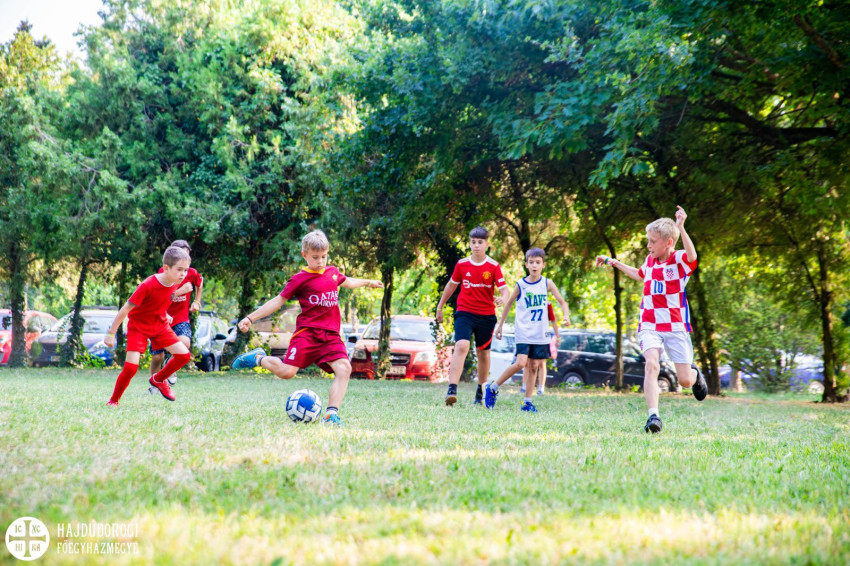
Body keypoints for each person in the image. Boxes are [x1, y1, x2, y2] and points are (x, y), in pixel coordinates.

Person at [230, 230, 383, 426]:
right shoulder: (299, 279)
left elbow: (348, 282)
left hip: (330, 336)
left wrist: (368, 282)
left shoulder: (332, 272)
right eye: (315, 257)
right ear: (305, 255)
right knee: (287, 373)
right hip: (307, 334)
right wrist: (250, 318)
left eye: (324, 256)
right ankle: (259, 358)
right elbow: (278, 301)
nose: (321, 261)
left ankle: (331, 416)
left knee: (344, 368)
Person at [596, 206, 707, 433]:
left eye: (652, 241)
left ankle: (695, 375)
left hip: (675, 325)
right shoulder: (650, 260)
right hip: (649, 324)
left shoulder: (679, 260)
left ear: (668, 242)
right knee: (651, 364)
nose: (648, 245)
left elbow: (693, 257)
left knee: (685, 381)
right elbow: (639, 274)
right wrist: (612, 261)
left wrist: (681, 227)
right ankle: (653, 416)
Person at [105, 247, 193, 405]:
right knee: (131, 368)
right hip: (138, 328)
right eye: (179, 269)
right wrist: (111, 333)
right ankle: (113, 401)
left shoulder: (174, 283)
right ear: (166, 268)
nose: (183, 274)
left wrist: (165, 313)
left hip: (160, 326)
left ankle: (158, 379)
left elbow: (161, 300)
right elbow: (125, 309)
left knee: (184, 355)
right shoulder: (148, 285)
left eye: (186, 270)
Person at [485, 248, 570, 411]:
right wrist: (500, 325)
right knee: (520, 363)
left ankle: (527, 402)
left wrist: (566, 315)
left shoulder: (547, 283)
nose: (534, 265)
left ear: (543, 264)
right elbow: (509, 303)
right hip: (523, 331)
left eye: (538, 262)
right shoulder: (521, 285)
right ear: (526, 265)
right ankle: (493, 387)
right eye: (531, 262)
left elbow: (562, 302)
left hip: (540, 333)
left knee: (534, 366)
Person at [436, 226, 510, 406]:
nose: (476, 245)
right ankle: (452, 389)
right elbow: (451, 286)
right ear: (469, 243)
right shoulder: (462, 264)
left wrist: (503, 298)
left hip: (486, 315)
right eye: (473, 242)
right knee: (461, 345)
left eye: (480, 242)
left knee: (483, 353)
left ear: (486, 244)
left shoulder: (493, 266)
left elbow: (505, 289)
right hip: (465, 312)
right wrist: (440, 307)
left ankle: (480, 391)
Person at [148, 240, 203, 390]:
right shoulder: (164, 272)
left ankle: (170, 365)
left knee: (184, 344)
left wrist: (196, 302)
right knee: (157, 357)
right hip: (160, 318)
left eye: (188, 255)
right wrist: (179, 292)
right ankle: (155, 386)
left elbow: (200, 282)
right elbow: (158, 297)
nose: (186, 259)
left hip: (181, 318)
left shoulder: (191, 272)